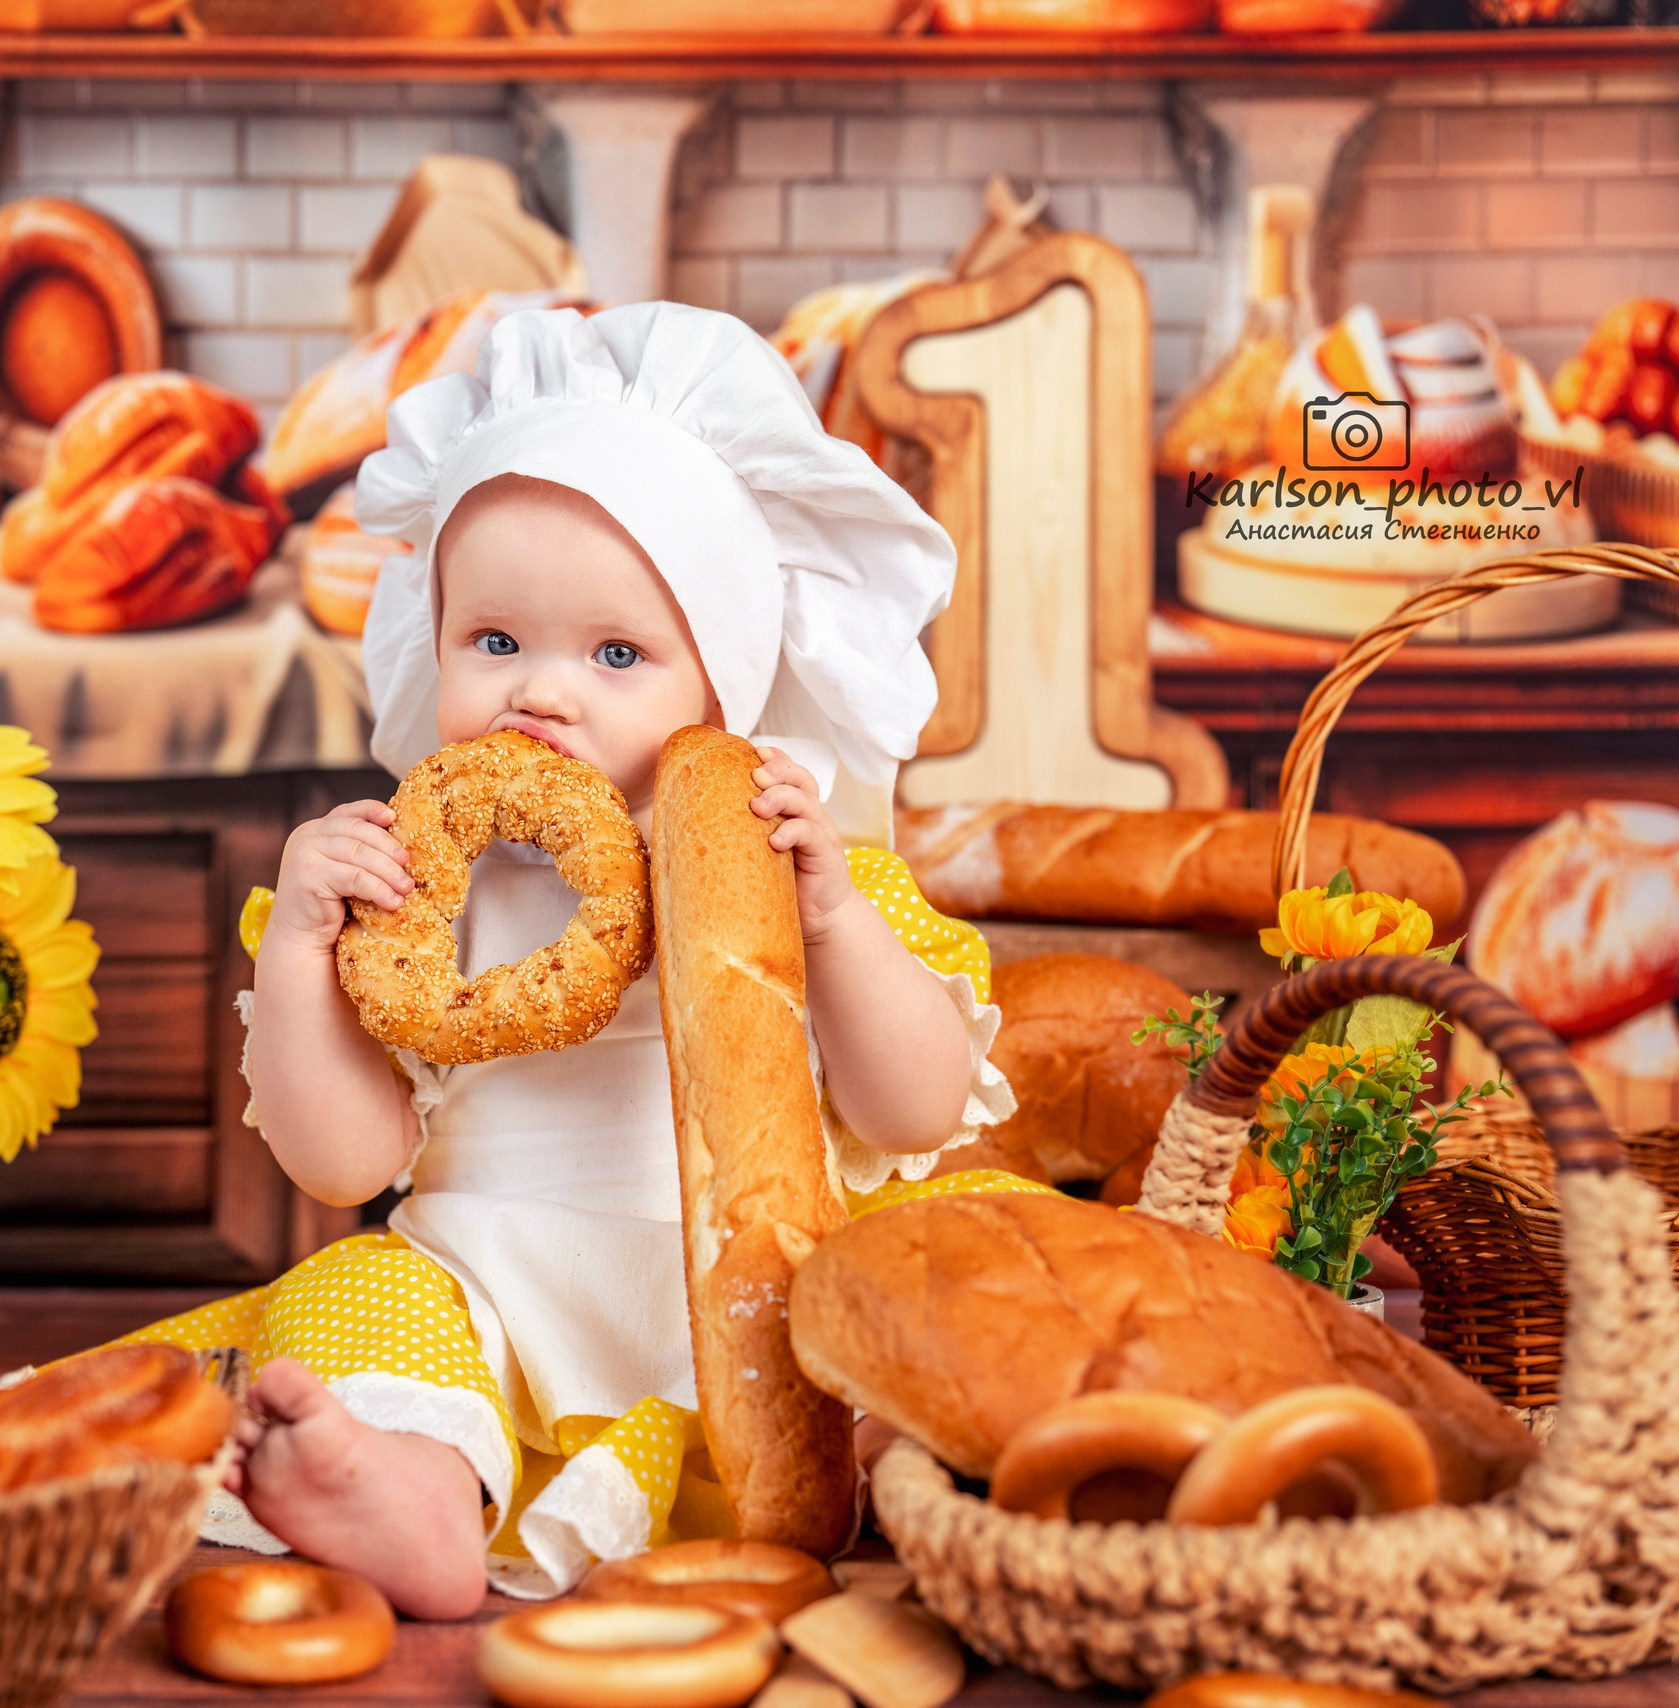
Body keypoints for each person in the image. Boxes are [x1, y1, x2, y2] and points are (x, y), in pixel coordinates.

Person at [117, 303, 1040, 1618]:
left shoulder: (789, 874)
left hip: (746, 1302)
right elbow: (346, 1163)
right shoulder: (412, 891)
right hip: (493, 1286)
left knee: (929, 1297)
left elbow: (918, 1110)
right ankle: (419, 1491)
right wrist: (314, 949)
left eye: (616, 654)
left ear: (720, 693)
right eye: (494, 642)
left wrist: (833, 925)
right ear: (429, 647)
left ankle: (906, 1479)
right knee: (372, 1299)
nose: (542, 692)